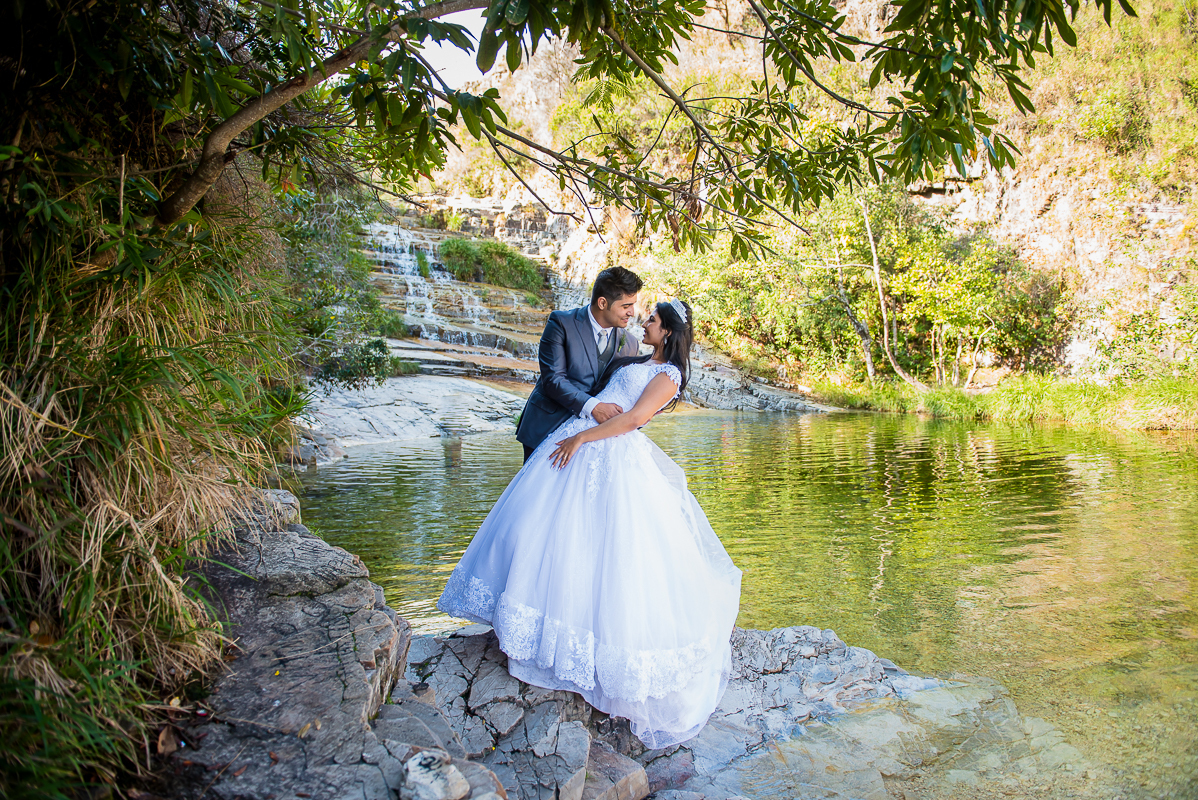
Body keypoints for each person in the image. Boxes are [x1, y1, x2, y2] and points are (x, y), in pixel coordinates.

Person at [437, 299, 742, 750]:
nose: (644, 321)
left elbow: (635, 419)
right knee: (540, 532)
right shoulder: (635, 357)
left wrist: (582, 437)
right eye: (643, 314)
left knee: (603, 550)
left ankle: (587, 646)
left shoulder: (669, 377)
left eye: (653, 319)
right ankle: (529, 626)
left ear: (671, 332)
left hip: (610, 453)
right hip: (576, 439)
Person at [514, 266, 644, 462]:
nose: (632, 312)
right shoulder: (561, 323)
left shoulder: (631, 344)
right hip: (547, 426)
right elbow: (553, 380)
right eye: (626, 306)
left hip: (591, 440)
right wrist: (594, 407)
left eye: (633, 305)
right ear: (602, 303)